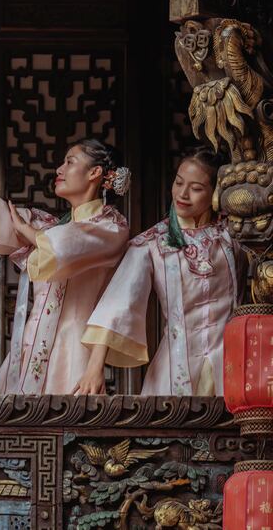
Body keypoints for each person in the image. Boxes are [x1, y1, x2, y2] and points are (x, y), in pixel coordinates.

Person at [0, 95, 130, 394]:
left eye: (69, 162)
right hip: (29, 349)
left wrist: (30, 234)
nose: (59, 169)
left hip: (74, 353)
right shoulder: (48, 226)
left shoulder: (111, 227)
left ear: (95, 173)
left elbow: (69, 249)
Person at [82, 148, 242, 396]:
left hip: (234, 365)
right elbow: (118, 303)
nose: (183, 194)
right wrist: (94, 367)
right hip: (175, 370)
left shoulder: (234, 237)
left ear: (215, 193)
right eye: (179, 183)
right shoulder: (152, 243)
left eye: (196, 188)